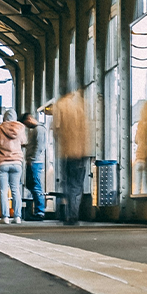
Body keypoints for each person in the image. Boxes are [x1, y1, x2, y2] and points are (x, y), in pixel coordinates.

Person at [53, 92, 89, 225]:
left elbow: (56, 129)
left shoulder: (60, 106)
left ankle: (70, 214)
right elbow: (85, 130)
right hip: (81, 153)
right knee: (77, 185)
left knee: (69, 184)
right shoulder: (80, 107)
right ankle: (74, 213)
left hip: (67, 152)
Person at [0, 109, 27, 224]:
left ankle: (5, 217)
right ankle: (17, 217)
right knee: (15, 189)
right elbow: (24, 141)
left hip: (2, 162)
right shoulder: (20, 128)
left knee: (3, 190)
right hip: (16, 162)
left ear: (5, 117)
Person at [20, 112, 47, 220]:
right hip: (33, 161)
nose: (26, 126)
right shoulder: (35, 130)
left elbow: (39, 147)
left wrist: (32, 159)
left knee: (36, 186)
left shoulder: (39, 130)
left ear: (29, 119)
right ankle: (37, 210)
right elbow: (34, 145)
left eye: (26, 123)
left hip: (35, 162)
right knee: (32, 185)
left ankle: (40, 212)